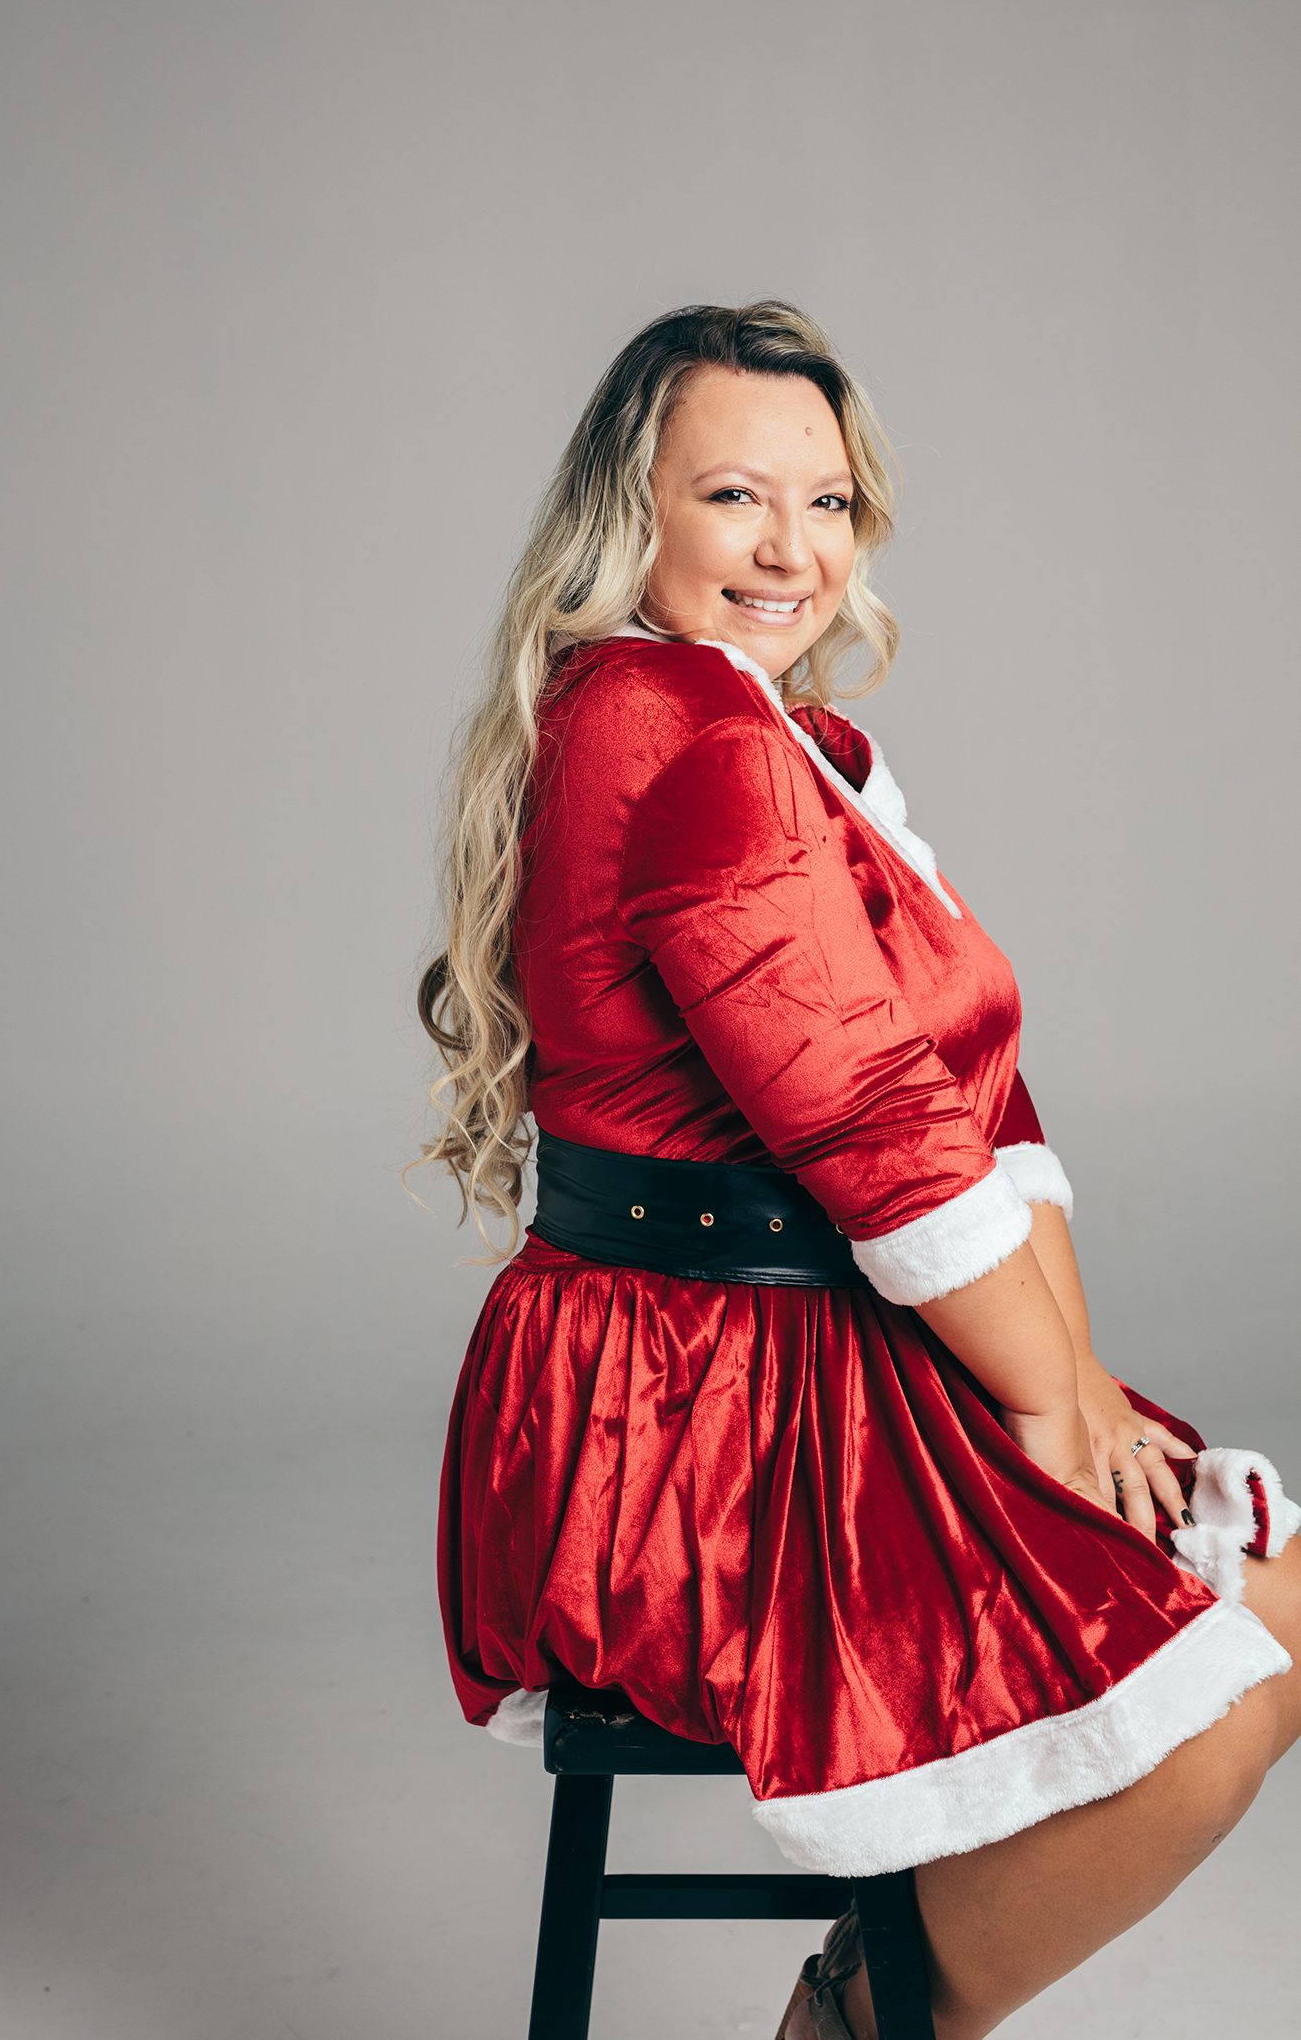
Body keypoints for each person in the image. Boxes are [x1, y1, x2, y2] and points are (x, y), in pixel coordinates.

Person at [417, 302, 1299, 2039]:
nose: (788, 547)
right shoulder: (696, 737)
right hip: (685, 1418)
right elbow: (878, 1129)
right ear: (632, 512)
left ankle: (861, 1994)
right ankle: (866, 2022)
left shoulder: (752, 734)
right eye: (735, 495)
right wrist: (1046, 1408)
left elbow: (967, 1102)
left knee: (1260, 1604)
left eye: (827, 504)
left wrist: (1080, 1386)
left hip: (780, 1350)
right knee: (1216, 1700)